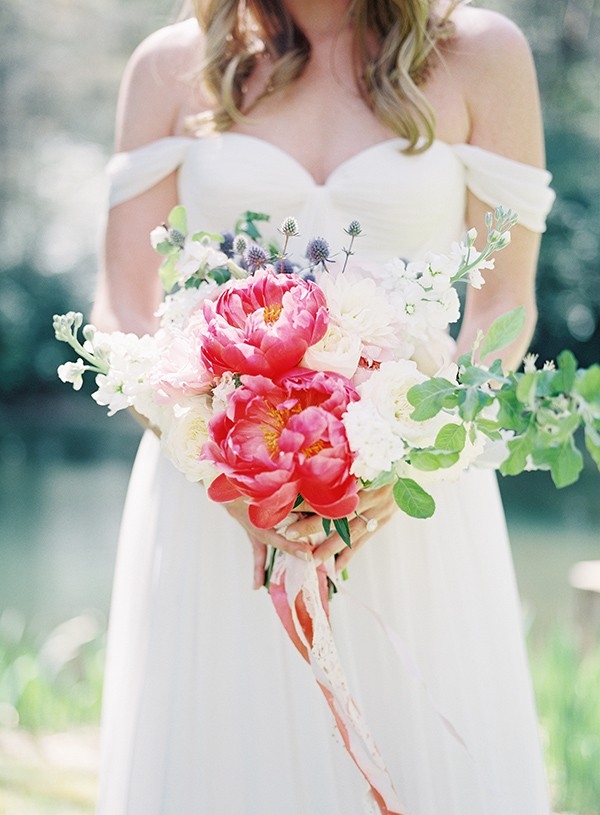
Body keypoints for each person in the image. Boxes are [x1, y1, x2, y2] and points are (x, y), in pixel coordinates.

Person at [91, 1, 555, 813]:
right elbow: (123, 306)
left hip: (412, 501)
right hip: (211, 497)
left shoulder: (481, 55)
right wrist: (223, 471)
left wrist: (409, 452)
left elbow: (502, 307)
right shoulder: (170, 65)